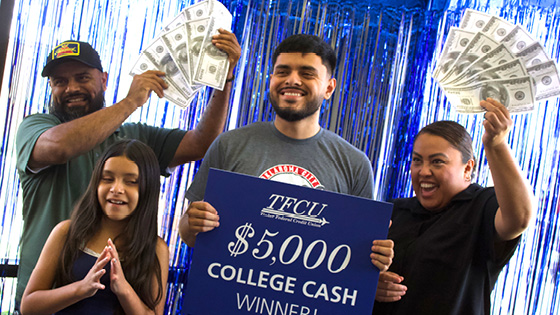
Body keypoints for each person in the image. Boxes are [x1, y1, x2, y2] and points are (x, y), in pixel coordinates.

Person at [15, 31, 240, 308]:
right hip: (46, 300)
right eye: (60, 81)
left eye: (82, 77)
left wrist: (224, 79)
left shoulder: (133, 139)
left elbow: (202, 144)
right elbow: (59, 147)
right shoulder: (35, 127)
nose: (71, 87)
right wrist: (130, 101)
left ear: (104, 79)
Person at [178, 34, 394, 272]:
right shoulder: (229, 145)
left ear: (329, 88)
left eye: (307, 73)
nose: (292, 80)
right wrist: (192, 224)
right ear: (271, 79)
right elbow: (189, 235)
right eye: (282, 72)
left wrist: (377, 259)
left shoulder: (354, 165)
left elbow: (356, 259)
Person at [373, 99, 535, 314]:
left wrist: (496, 144)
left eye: (437, 161)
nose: (424, 171)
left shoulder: (481, 207)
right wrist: (369, 285)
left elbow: (520, 218)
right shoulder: (393, 210)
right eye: (417, 160)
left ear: (468, 168)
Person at [21, 140, 168, 314]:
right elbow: (28, 306)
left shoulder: (156, 248)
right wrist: (81, 288)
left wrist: (123, 290)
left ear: (148, 189)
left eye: (131, 182)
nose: (116, 188)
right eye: (107, 179)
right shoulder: (65, 232)